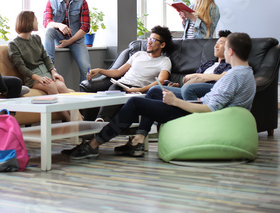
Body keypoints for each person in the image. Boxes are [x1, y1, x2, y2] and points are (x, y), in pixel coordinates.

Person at [62, 32, 256, 160]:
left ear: (230, 51)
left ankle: (94, 144)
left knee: (135, 103)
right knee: (155, 91)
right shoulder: (245, 73)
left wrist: (176, 101)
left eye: (224, 45)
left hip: (198, 114)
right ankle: (138, 141)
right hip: (200, 107)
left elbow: (209, 108)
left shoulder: (233, 76)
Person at [88, 25, 173, 122]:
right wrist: (99, 70)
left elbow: (161, 81)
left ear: (162, 45)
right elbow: (118, 72)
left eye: (153, 40)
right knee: (113, 91)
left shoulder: (164, 61)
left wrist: (140, 89)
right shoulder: (138, 54)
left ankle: (102, 126)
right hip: (121, 85)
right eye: (149, 38)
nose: (149, 42)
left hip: (139, 89)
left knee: (123, 103)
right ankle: (100, 121)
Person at [9, 11, 77, 121]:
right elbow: (21, 68)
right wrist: (39, 78)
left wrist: (54, 72)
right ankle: (70, 121)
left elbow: (46, 57)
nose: (37, 22)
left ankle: (79, 120)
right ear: (28, 22)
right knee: (51, 86)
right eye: (35, 19)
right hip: (33, 78)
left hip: (47, 73)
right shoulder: (13, 44)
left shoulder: (36, 38)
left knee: (61, 85)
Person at [146, 30, 232, 101]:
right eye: (216, 43)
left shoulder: (229, 65)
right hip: (188, 90)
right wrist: (178, 86)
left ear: (229, 47)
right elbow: (191, 81)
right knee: (154, 93)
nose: (215, 46)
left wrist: (198, 76)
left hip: (207, 91)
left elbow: (223, 78)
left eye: (220, 43)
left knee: (155, 90)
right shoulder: (208, 64)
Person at [43, 0, 91, 83]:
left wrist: (69, 41)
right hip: (58, 37)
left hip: (76, 40)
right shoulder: (51, 1)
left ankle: (85, 96)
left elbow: (85, 27)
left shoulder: (82, 2)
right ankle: (51, 65)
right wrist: (59, 25)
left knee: (86, 69)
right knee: (50, 29)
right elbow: (46, 22)